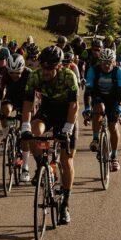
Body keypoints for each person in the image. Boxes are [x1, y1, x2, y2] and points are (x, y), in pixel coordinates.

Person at [20, 46, 78, 225]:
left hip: (66, 116)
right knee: (32, 135)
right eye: (43, 67)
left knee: (66, 160)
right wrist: (25, 126)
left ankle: (65, 205)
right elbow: (28, 103)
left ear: (59, 66)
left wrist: (67, 129)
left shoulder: (69, 76)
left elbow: (73, 106)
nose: (45, 71)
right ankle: (41, 165)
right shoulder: (35, 76)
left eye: (50, 68)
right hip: (47, 112)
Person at [86, 48, 121, 170]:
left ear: (114, 62)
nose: (107, 65)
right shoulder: (93, 70)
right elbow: (88, 92)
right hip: (98, 97)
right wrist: (87, 108)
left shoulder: (118, 71)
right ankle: (96, 139)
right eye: (104, 62)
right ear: (100, 62)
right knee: (98, 108)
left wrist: (119, 106)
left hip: (113, 99)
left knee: (113, 127)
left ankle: (114, 157)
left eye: (110, 62)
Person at [0, 55, 32, 183]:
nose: (14, 76)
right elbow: (0, 92)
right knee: (4, 111)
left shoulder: (30, 74)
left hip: (26, 100)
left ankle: (25, 168)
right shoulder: (5, 73)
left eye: (17, 73)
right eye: (11, 73)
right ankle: (6, 136)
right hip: (12, 97)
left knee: (25, 137)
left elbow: (35, 95)